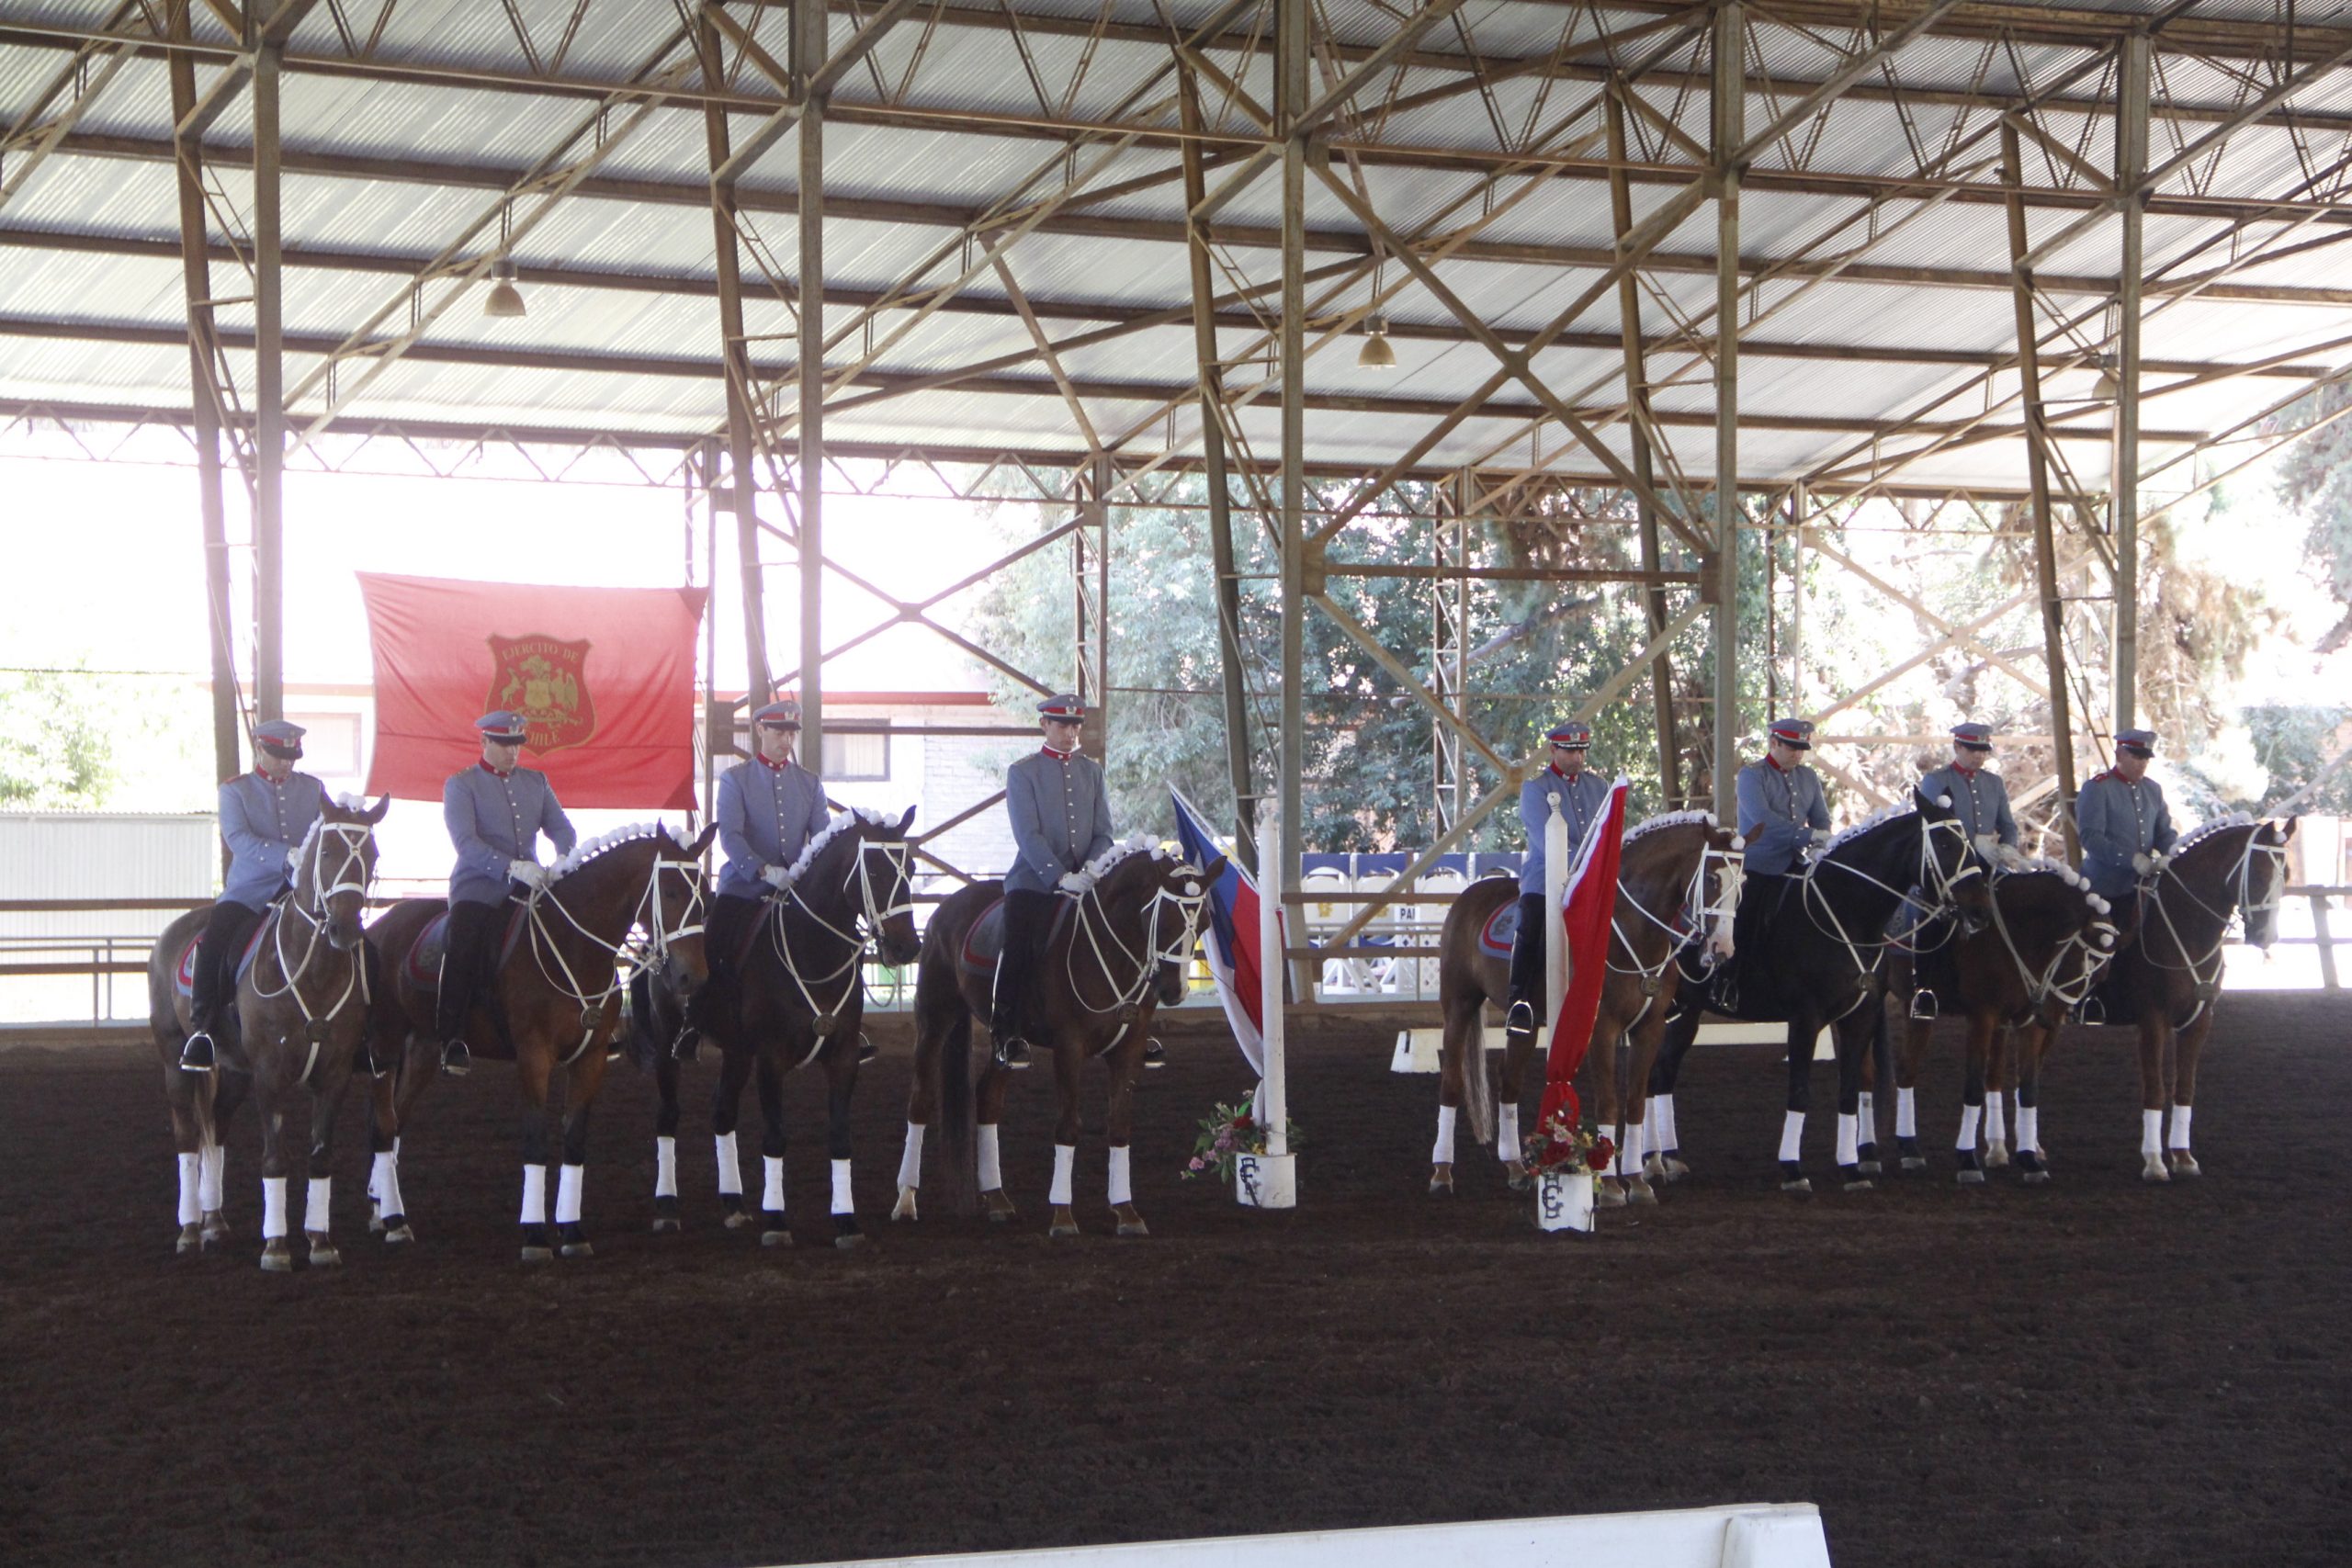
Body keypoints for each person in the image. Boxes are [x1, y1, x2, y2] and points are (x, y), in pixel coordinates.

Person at [680, 698, 831, 1061]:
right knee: (715, 940)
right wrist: (763, 869)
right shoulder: (735, 779)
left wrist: (804, 871)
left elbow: (823, 837)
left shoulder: (809, 783)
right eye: (779, 732)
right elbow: (730, 835)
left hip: (795, 888)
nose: (786, 741)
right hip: (744, 886)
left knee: (837, 938)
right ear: (760, 730)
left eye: (790, 734)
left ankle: (843, 1023)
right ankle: (694, 1020)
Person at [180, 719, 325, 1071]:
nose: (287, 763)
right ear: (260, 749)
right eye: (278, 755)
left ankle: (364, 1032)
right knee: (214, 943)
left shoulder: (313, 788)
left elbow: (327, 830)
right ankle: (202, 1031)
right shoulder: (236, 791)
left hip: (300, 892)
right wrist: (284, 854)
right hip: (249, 892)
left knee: (352, 942)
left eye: (291, 756)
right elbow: (237, 839)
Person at [437, 709, 576, 1077]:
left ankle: (590, 1023)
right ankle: (451, 1037)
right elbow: (465, 843)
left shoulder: (536, 782)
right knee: (462, 944)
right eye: (503, 744)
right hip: (478, 886)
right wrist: (510, 867)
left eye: (516, 744)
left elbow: (562, 829)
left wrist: (562, 860)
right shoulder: (461, 785)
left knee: (575, 931)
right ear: (484, 742)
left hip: (531, 886)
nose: (512, 752)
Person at [996, 694, 1114, 1069]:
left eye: (1075, 725)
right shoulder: (1023, 772)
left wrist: (1091, 872)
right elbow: (1028, 835)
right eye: (1062, 725)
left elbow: (1104, 833)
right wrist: (1060, 877)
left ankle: (1128, 1024)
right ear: (1044, 725)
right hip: (1034, 881)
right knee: (1016, 948)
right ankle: (1006, 1033)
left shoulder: (1092, 772)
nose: (1070, 732)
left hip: (1088, 881)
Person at [1905, 721, 2020, 1020]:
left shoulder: (1994, 783)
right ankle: (1924, 989)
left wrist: (2007, 846)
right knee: (1932, 915)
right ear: (1957, 747)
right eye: (1972, 749)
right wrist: (1971, 845)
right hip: (1948, 868)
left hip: (1988, 867)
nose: (1978, 756)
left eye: (1983, 751)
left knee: (2017, 908)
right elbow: (1930, 829)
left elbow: (2008, 824)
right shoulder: (1936, 780)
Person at [1505, 719, 1611, 1038]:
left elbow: (1606, 834)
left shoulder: (1601, 787)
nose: (1577, 758)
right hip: (1546, 878)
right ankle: (1518, 1000)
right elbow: (1547, 843)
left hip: (1593, 878)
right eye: (1569, 750)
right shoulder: (1535, 790)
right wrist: (1591, 862)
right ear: (1553, 750)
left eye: (1581, 750)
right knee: (1532, 923)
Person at [1732, 716, 1832, 953]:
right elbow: (1763, 821)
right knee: (1744, 926)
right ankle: (1730, 976)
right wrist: (1810, 836)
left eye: (1802, 749)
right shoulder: (1751, 775)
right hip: (1758, 866)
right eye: (1792, 747)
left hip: (1797, 862)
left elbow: (1821, 816)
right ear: (1774, 743)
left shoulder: (1808, 777)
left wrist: (1821, 842)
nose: (1798, 755)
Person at [2075, 728, 2177, 905]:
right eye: (2137, 757)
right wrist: (2131, 858)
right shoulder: (2097, 788)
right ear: (2120, 754)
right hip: (2104, 888)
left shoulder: (2153, 790)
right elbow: (2091, 838)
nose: (2143, 763)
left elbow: (2164, 832)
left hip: (2144, 886)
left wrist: (2172, 855)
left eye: (2145, 758)